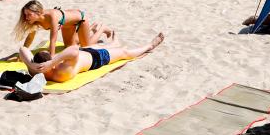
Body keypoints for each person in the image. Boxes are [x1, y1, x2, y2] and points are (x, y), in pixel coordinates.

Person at [18, 32, 165, 83]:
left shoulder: (36, 70)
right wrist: (53, 61)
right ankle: (149, 46)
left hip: (83, 52)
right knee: (123, 53)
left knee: (109, 45)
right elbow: (73, 50)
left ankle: (114, 42)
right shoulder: (60, 73)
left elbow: (22, 49)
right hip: (96, 59)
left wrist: (33, 64)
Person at [15, 0, 117, 56]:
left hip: (80, 20)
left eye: (29, 14)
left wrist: (51, 59)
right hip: (68, 24)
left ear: (38, 13)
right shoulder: (35, 21)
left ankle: (102, 28)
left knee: (87, 47)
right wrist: (24, 52)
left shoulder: (52, 16)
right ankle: (92, 27)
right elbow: (30, 37)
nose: (26, 17)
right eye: (25, 14)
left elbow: (53, 40)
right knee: (69, 46)